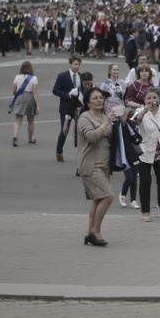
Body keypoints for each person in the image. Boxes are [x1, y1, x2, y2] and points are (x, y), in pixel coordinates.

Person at [78, 87, 119, 247]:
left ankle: (90, 233)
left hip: (104, 165)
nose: (99, 100)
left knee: (98, 198)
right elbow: (92, 137)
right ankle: (96, 231)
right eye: (95, 98)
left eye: (101, 97)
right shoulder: (84, 117)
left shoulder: (103, 116)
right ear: (88, 102)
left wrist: (119, 120)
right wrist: (107, 122)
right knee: (108, 196)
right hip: (90, 165)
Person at [132, 89, 160, 222]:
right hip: (145, 150)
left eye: (154, 97)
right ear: (144, 100)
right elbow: (135, 122)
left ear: (159, 98)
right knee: (145, 181)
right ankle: (145, 211)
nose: (151, 100)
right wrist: (145, 110)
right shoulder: (140, 111)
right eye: (148, 98)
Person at [53, 54, 83, 163]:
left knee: (82, 129)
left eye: (79, 64)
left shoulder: (81, 76)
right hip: (66, 107)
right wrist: (67, 95)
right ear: (70, 64)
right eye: (75, 64)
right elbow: (55, 90)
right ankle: (59, 151)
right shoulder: (63, 76)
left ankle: (83, 153)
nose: (77, 66)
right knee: (64, 130)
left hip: (79, 107)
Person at [10, 60, 40, 146]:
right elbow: (35, 93)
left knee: (18, 120)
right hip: (30, 98)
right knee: (31, 120)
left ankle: (15, 136)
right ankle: (30, 139)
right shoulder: (34, 78)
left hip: (19, 97)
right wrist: (37, 105)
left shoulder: (17, 77)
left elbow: (13, 91)